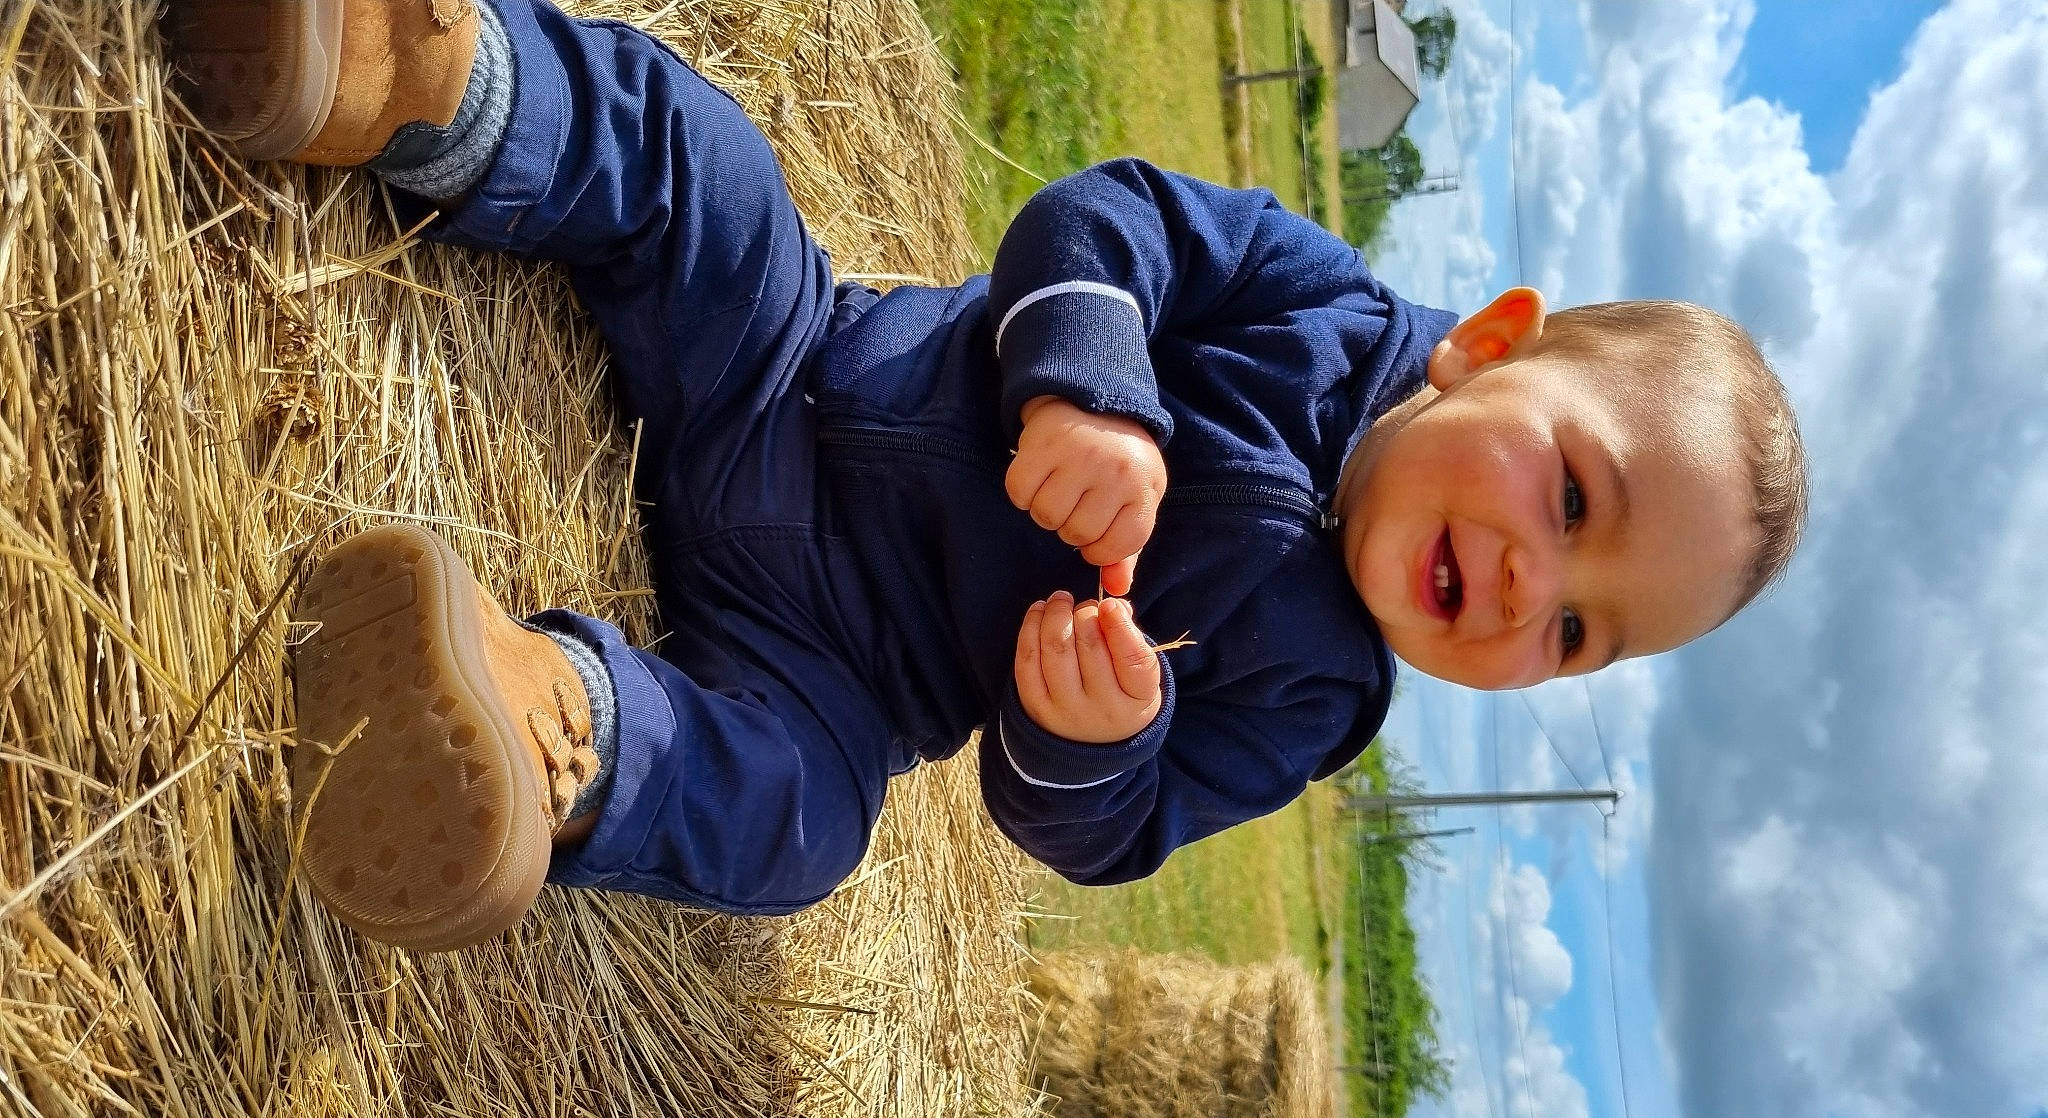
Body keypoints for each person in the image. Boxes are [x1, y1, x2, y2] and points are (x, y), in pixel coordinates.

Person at [170, 0, 1806, 952]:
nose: (1536, 585)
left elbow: (1098, 831)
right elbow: (1105, 220)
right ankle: (417, 82)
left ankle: (544, 722)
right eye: (1576, 504)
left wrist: (1095, 737)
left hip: (839, 669)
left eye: (1583, 635)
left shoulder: (1314, 704)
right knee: (701, 163)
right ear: (1491, 343)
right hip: (793, 367)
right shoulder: (1322, 299)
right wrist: (1091, 392)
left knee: (803, 834)